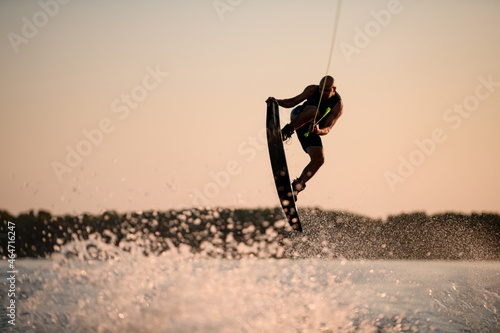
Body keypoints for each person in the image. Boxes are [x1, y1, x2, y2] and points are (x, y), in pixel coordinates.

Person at [266, 75, 343, 200]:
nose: (322, 92)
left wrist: (318, 130)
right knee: (314, 111)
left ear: (334, 89)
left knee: (319, 159)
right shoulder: (312, 89)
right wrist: (276, 102)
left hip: (311, 130)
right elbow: (292, 101)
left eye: (327, 90)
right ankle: (285, 133)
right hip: (298, 116)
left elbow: (328, 128)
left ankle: (296, 188)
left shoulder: (337, 105)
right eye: (320, 89)